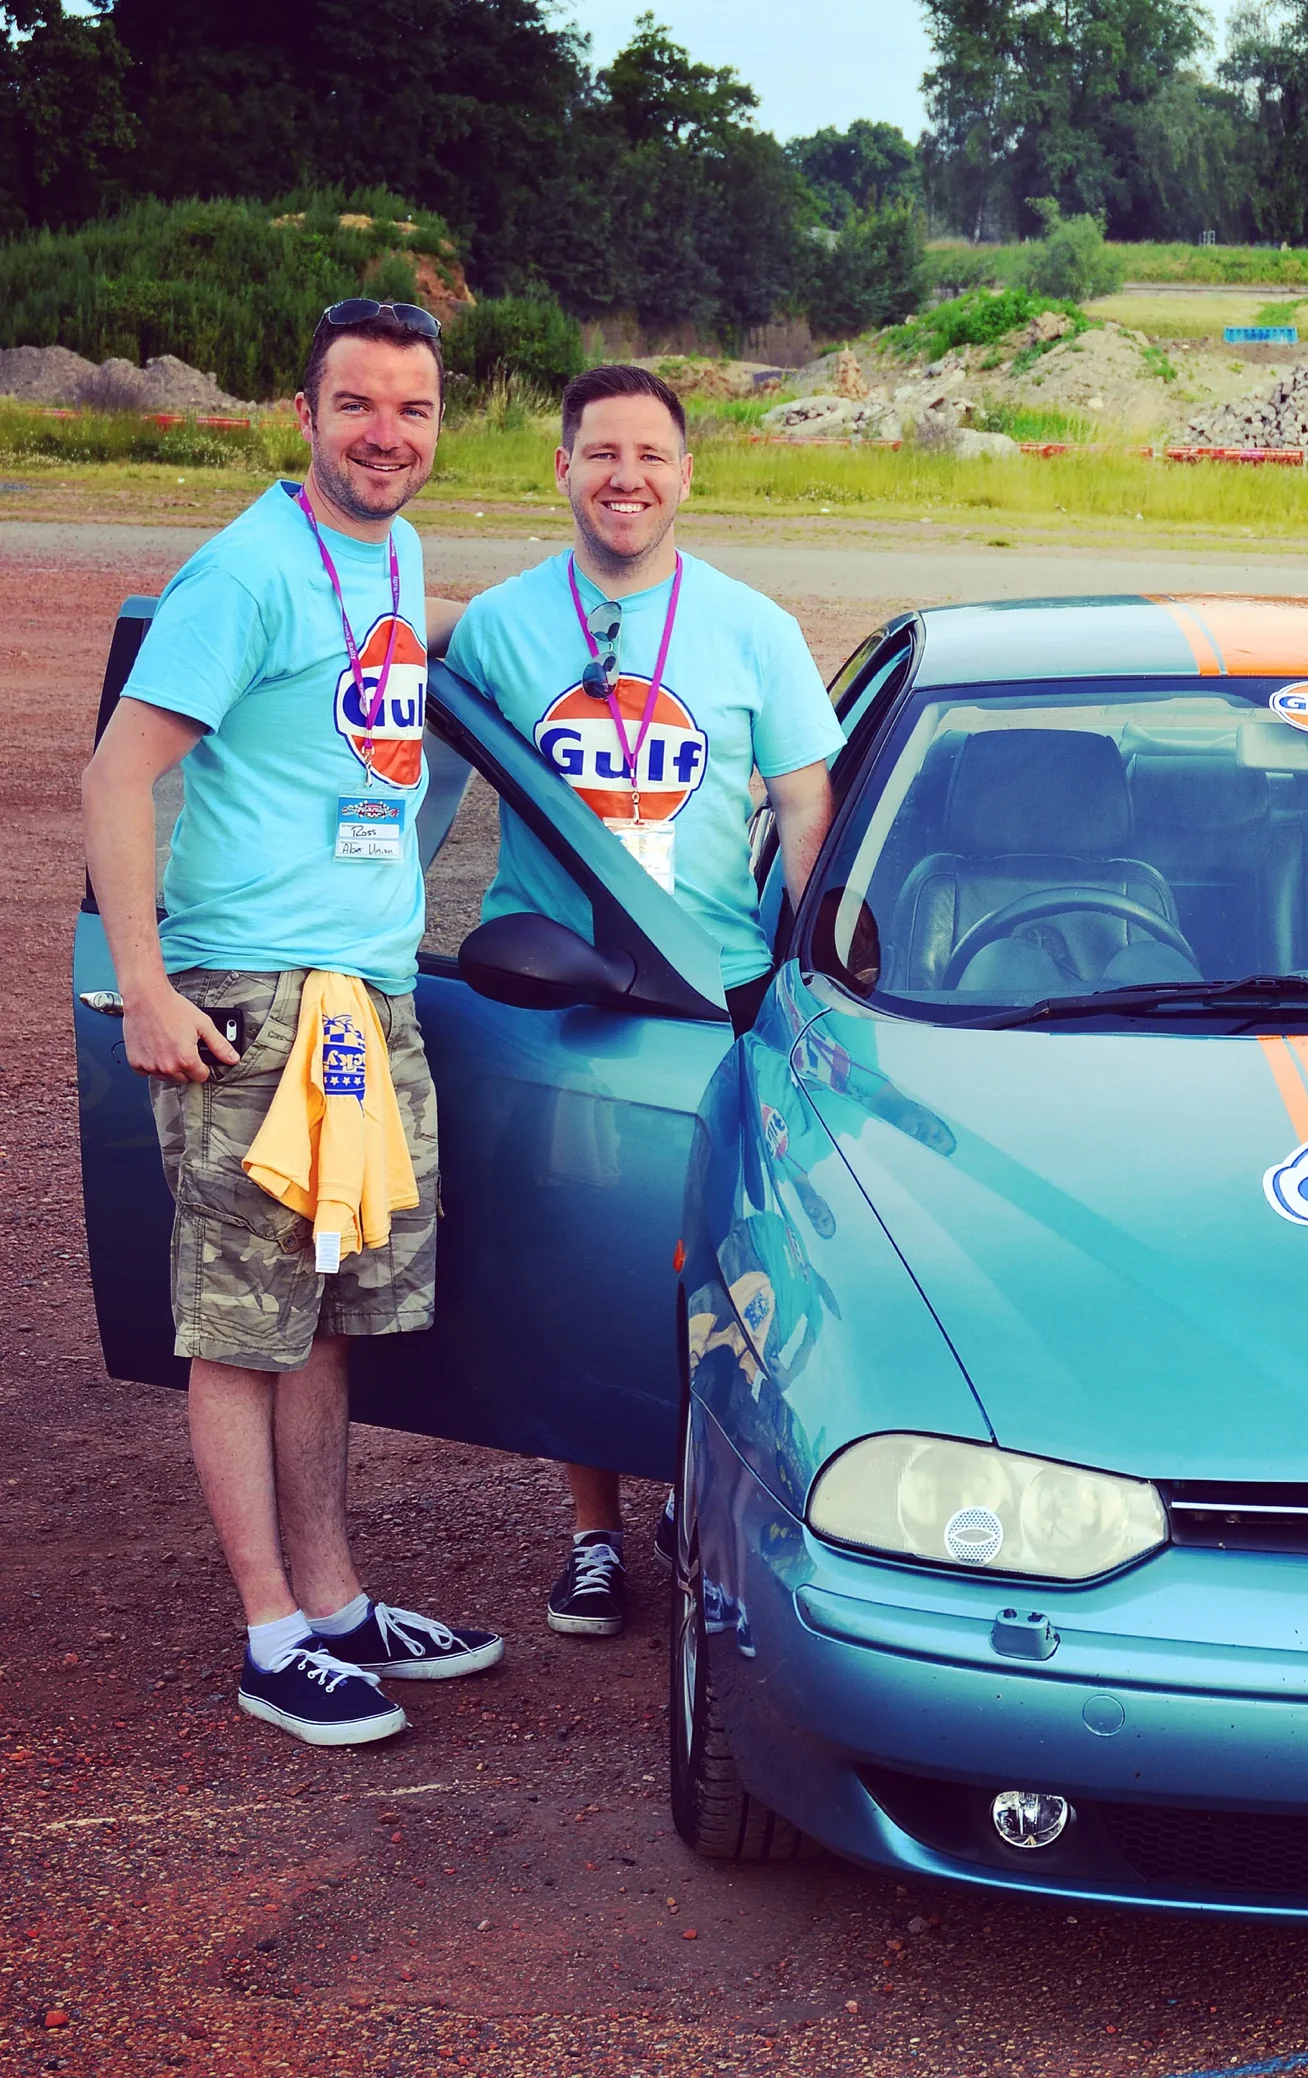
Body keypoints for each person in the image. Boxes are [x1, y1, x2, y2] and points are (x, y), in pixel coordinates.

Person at [79, 301, 504, 1748]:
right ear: (302, 412)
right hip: (248, 999)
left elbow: (387, 673)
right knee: (243, 1330)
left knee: (321, 1319)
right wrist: (145, 986)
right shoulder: (246, 570)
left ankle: (334, 1603)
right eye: (358, 407)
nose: (387, 434)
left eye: (414, 410)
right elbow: (115, 777)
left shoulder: (390, 550)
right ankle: (270, 1631)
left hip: (358, 996)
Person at [444, 363, 841, 1640]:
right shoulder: (499, 627)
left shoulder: (753, 627)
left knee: (711, 1265)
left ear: (688, 473)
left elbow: (803, 806)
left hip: (710, 986)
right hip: (562, 993)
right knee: (578, 1253)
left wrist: (816, 959)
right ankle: (593, 1533)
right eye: (600, 452)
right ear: (558, 468)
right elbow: (413, 787)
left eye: (651, 455)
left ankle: (696, 1499)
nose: (626, 476)